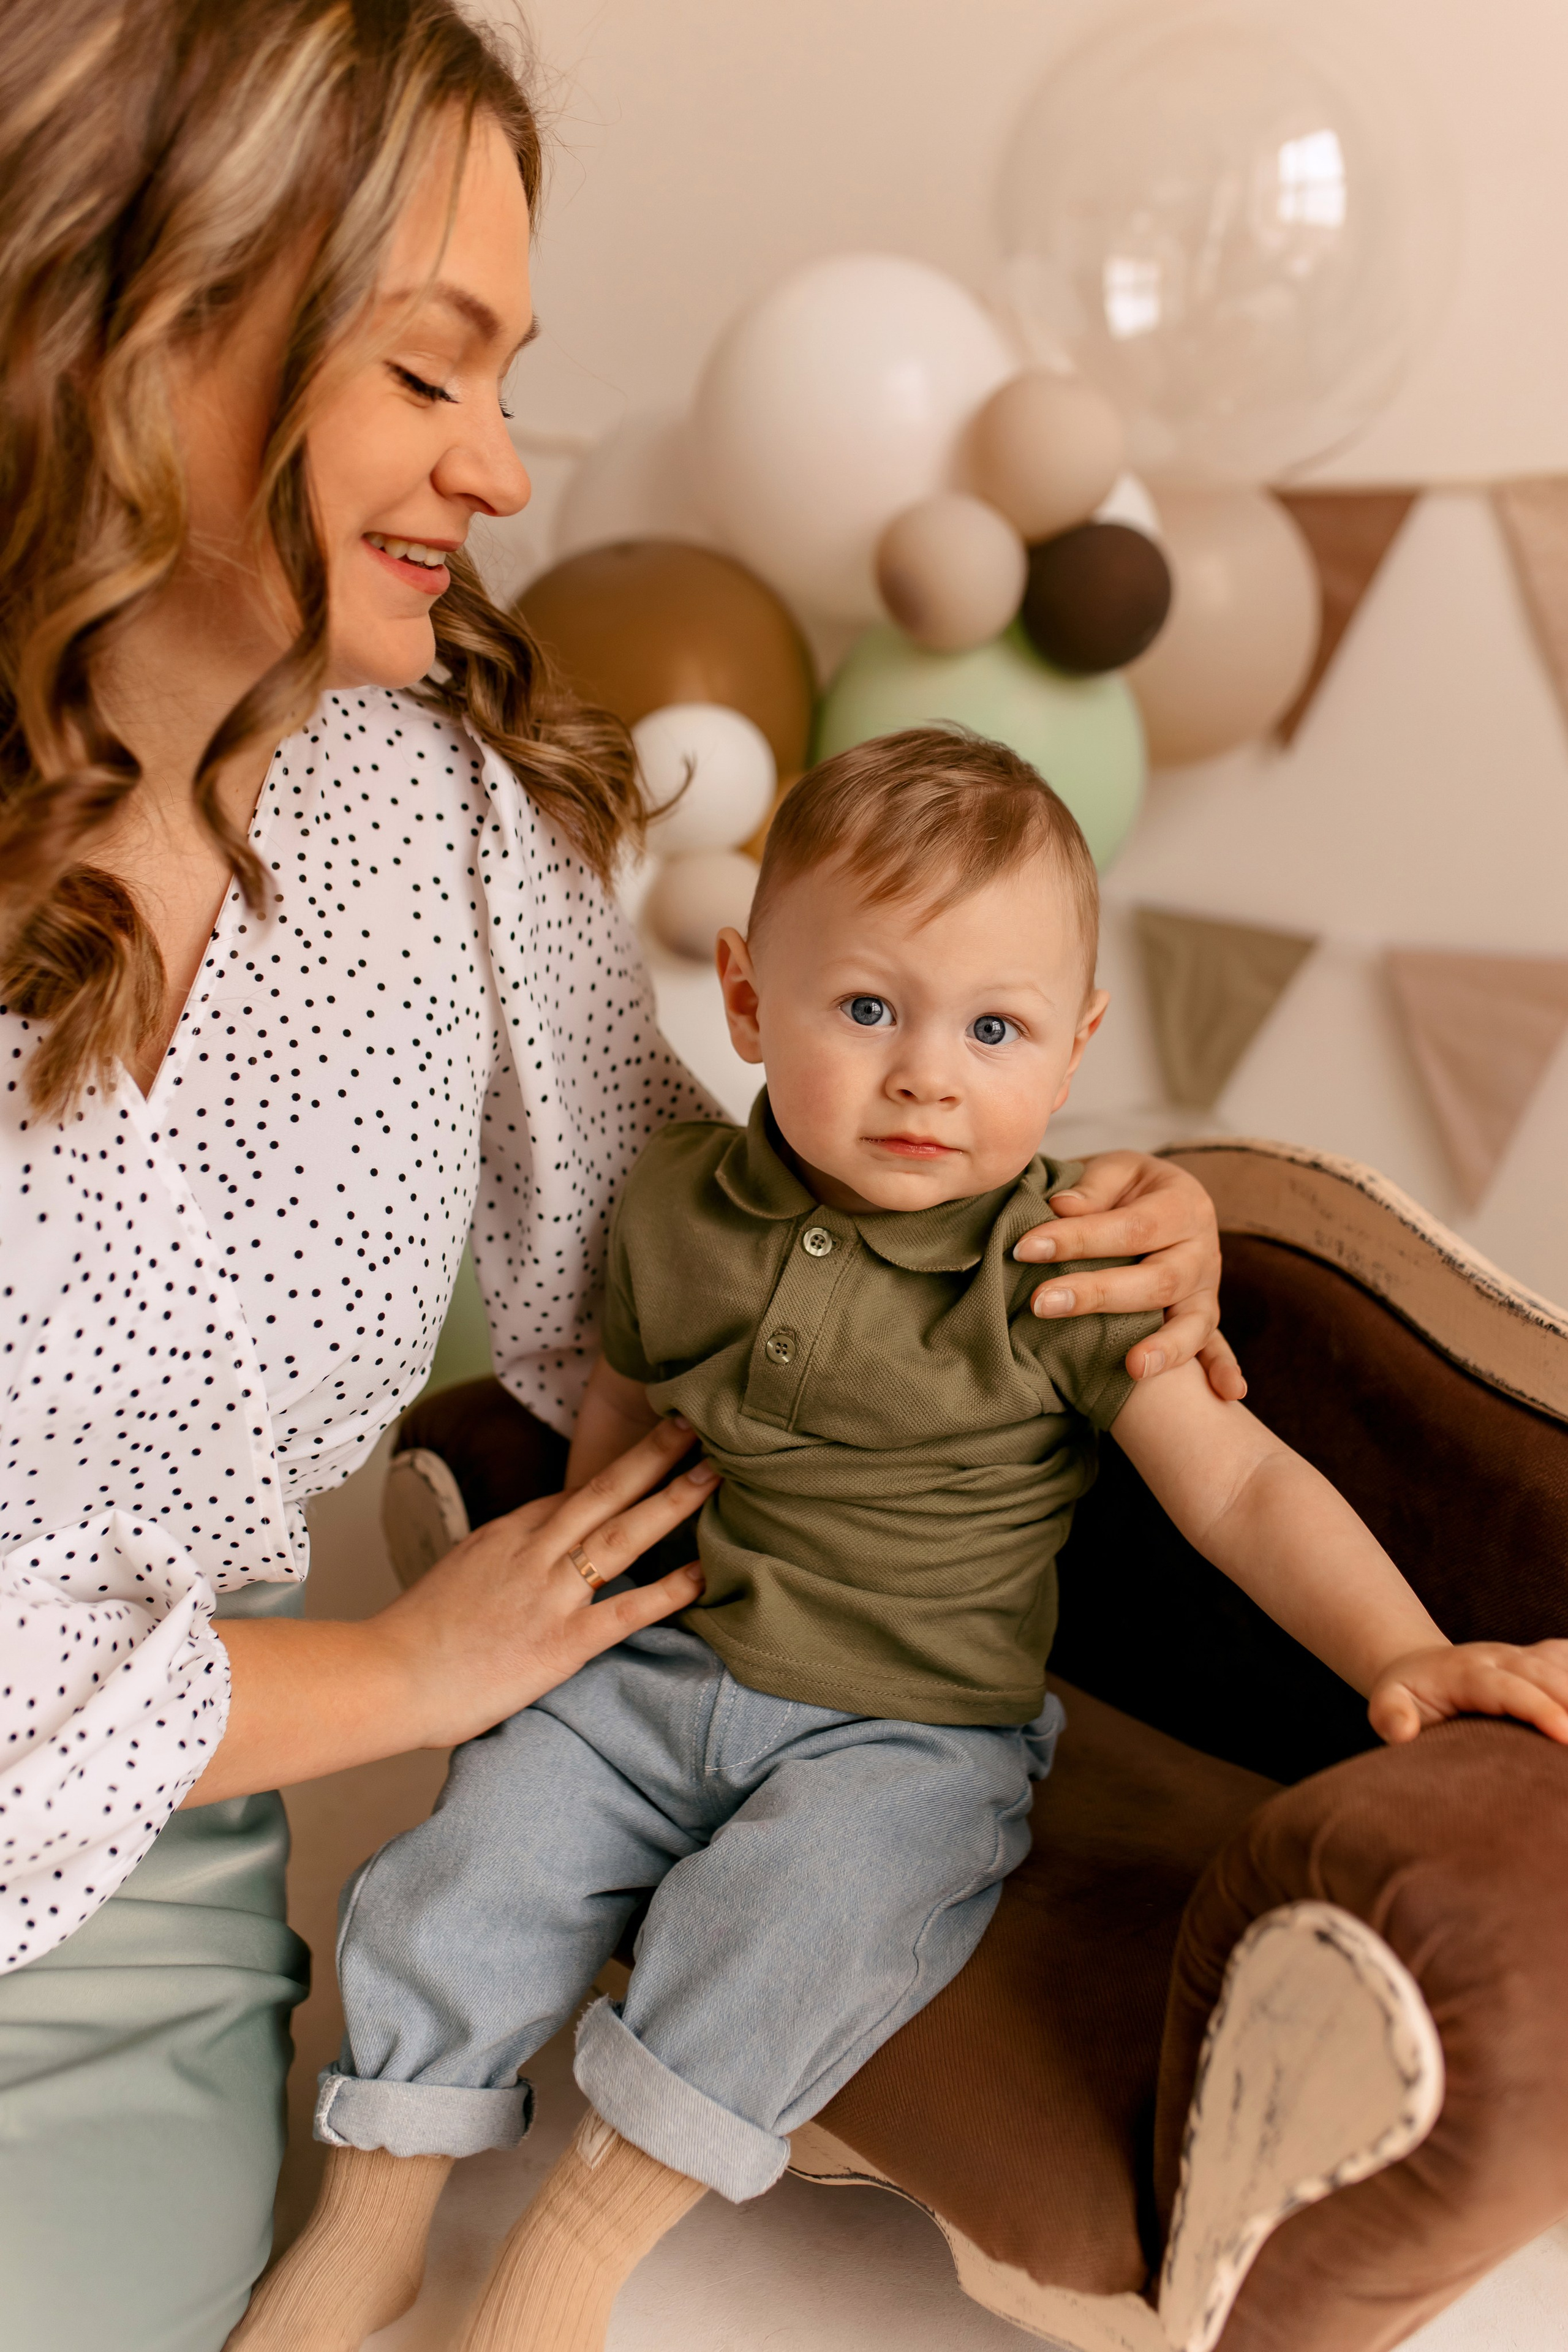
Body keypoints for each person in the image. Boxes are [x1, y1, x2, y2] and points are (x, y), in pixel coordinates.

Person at [0, 6, 1235, 2348]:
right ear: (137, 329)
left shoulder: (442, 820)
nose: (499, 465)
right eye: (426, 370)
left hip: (106, 1930)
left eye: (509, 377)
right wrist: (390, 1666)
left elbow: (704, 1266)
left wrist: (1091, 1234)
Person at [243, 729, 1568, 2352]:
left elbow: (1240, 1485)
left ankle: (572, 2254)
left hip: (910, 1732)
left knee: (809, 1917)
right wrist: (550, 1626)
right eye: (867, 1008)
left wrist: (1407, 1652)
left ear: (1074, 1049)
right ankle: (370, 2224)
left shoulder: (1064, 1266)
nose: (928, 1073)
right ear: (745, 997)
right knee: (469, 1863)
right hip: (658, 1664)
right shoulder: (671, 1204)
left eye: (994, 1027)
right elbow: (617, 1420)